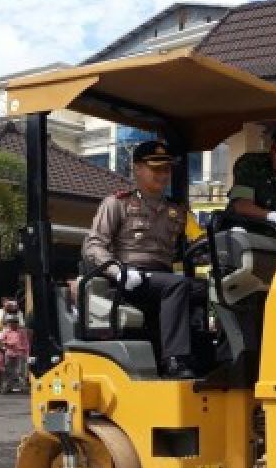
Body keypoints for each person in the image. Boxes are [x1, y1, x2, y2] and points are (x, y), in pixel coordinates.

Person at [82, 140, 209, 379]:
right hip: (129, 278)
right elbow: (94, 244)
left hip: (161, 277)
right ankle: (174, 359)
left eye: (167, 169)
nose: (163, 175)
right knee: (177, 285)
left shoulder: (179, 211)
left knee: (210, 290)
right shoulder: (117, 203)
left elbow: (199, 240)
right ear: (137, 169)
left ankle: (209, 356)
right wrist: (118, 271)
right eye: (156, 168)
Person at [0, 313, 30, 393]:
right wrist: (6, 344)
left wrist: (26, 352)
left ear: (17, 323)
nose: (11, 324)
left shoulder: (22, 331)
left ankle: (23, 386)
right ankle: (8, 387)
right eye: (10, 322)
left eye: (14, 322)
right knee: (8, 370)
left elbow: (26, 342)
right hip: (9, 353)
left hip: (20, 352)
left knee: (20, 371)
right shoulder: (6, 331)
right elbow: (2, 341)